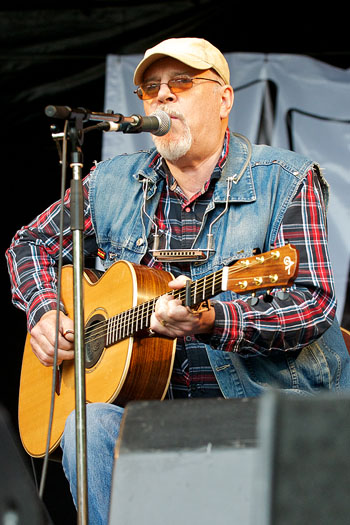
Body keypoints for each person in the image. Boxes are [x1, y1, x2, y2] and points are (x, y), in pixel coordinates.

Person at [6, 37, 350, 524]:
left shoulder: (285, 179)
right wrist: (45, 310)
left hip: (261, 409)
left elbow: (312, 305)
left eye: (181, 82)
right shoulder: (111, 183)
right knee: (87, 423)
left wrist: (211, 319)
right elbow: (31, 244)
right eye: (150, 88)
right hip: (155, 417)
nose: (162, 96)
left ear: (224, 99)